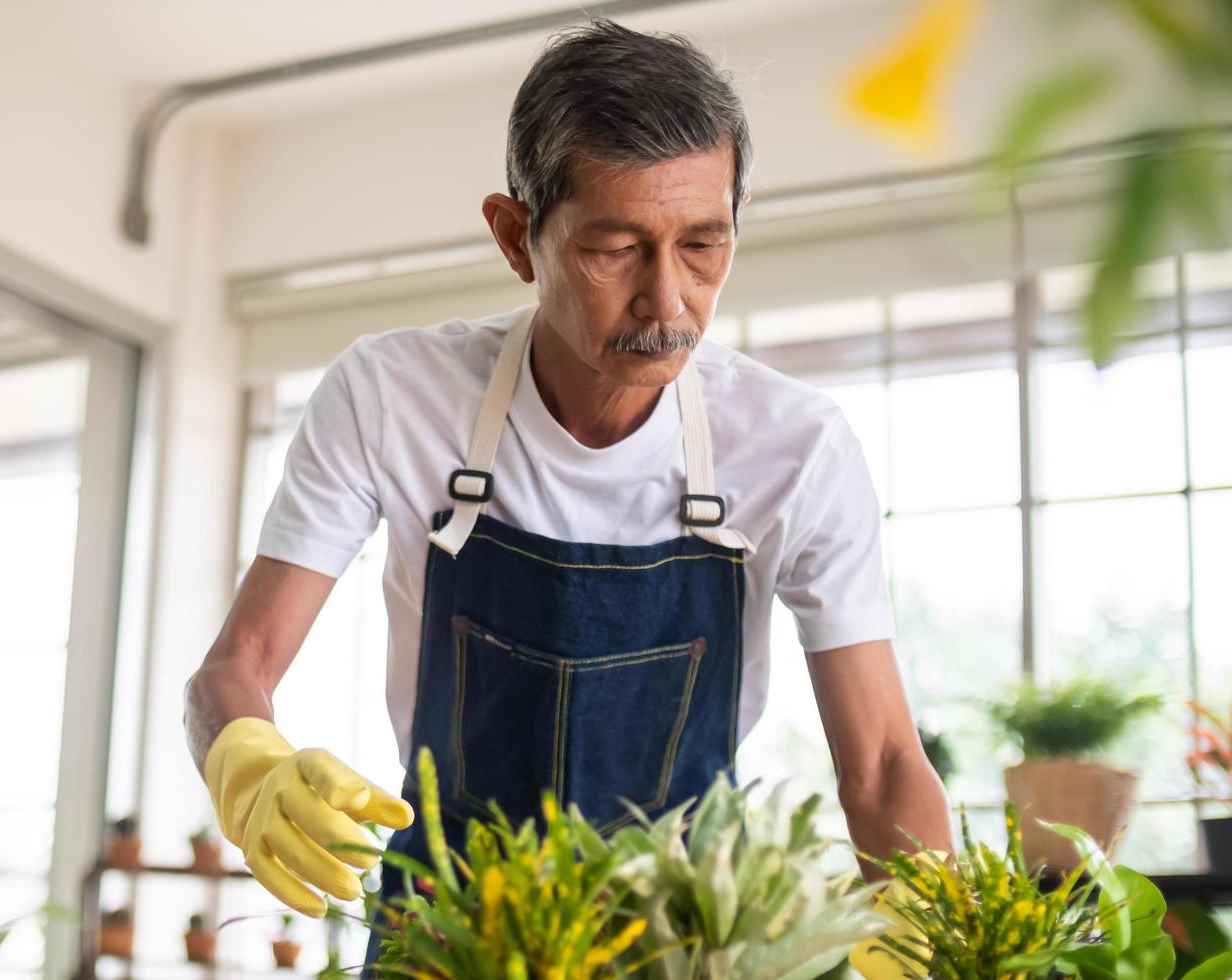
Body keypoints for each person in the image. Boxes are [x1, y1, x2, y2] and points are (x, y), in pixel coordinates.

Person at [184, 17, 953, 970]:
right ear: (516, 237)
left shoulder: (794, 446)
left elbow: (880, 767)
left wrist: (934, 944)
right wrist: (245, 759)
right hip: (447, 935)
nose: (668, 302)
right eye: (616, 248)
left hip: (684, 947)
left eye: (704, 245)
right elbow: (237, 664)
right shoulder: (392, 396)